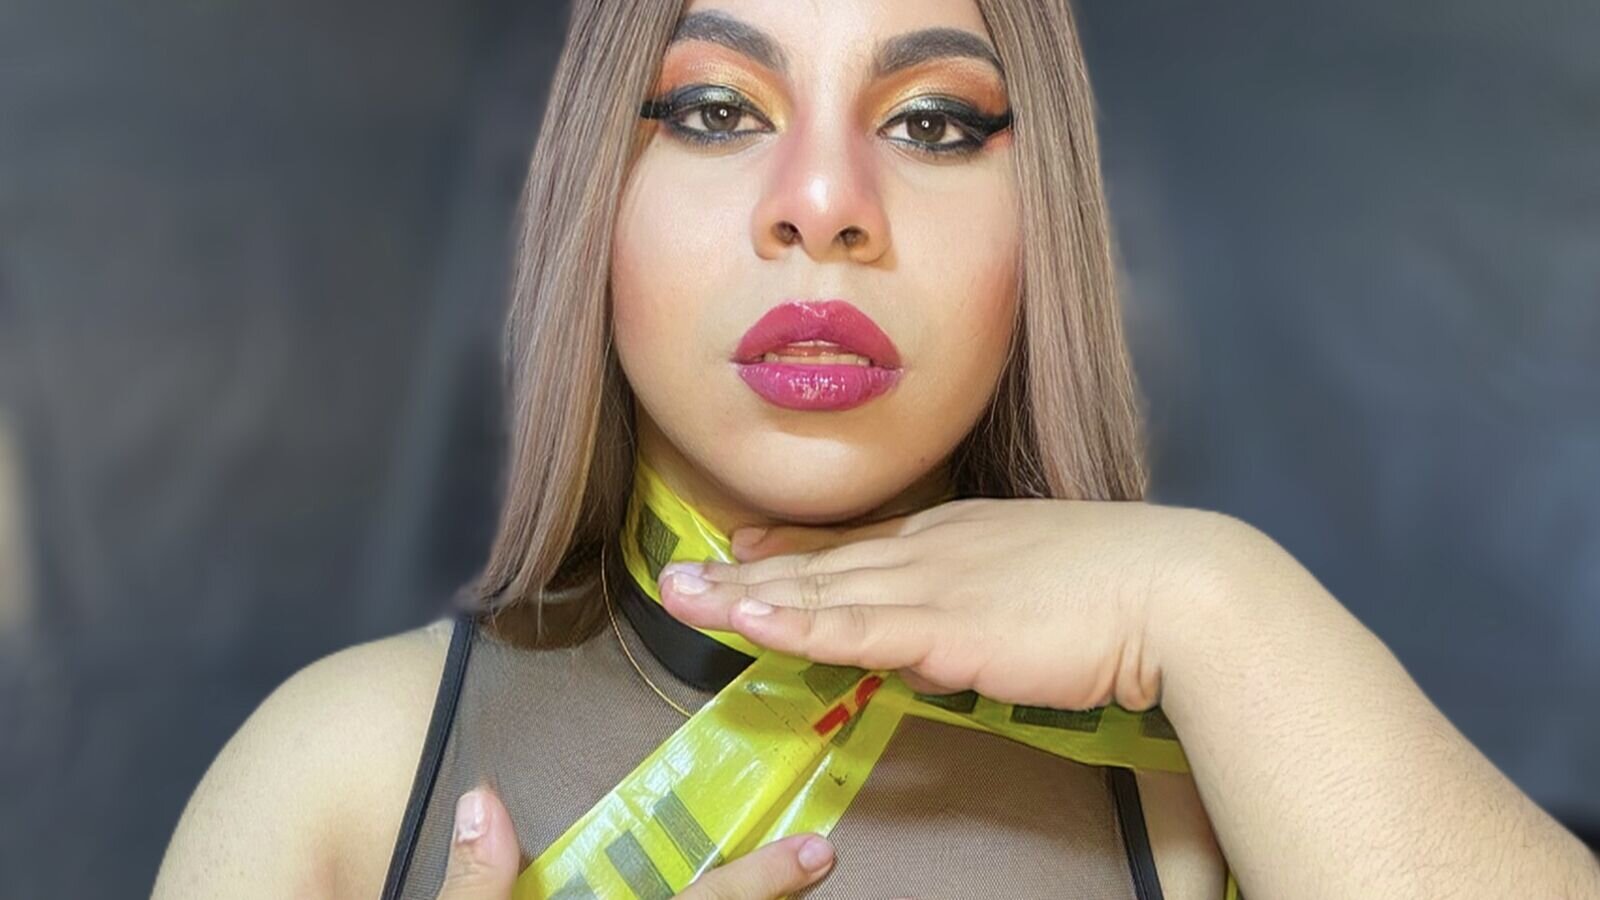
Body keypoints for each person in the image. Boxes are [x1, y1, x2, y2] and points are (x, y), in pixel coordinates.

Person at [153, 1, 1600, 898]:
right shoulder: (338, 780)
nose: (825, 201)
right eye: (718, 109)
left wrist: (1215, 599)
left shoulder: (1223, 788)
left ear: (1045, 222)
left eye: (933, 123)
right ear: (597, 183)